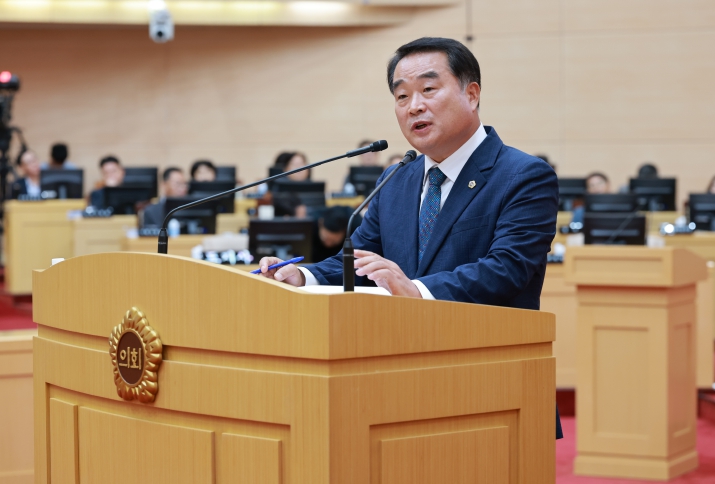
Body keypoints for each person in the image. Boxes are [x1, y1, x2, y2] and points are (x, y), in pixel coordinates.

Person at [256, 37, 561, 438]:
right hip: (400, 383)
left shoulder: (522, 175)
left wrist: (416, 290)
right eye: (401, 96)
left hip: (491, 386)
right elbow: (362, 259)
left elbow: (508, 269)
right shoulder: (397, 178)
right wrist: (303, 276)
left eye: (428, 89)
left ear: (471, 94)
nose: (413, 105)